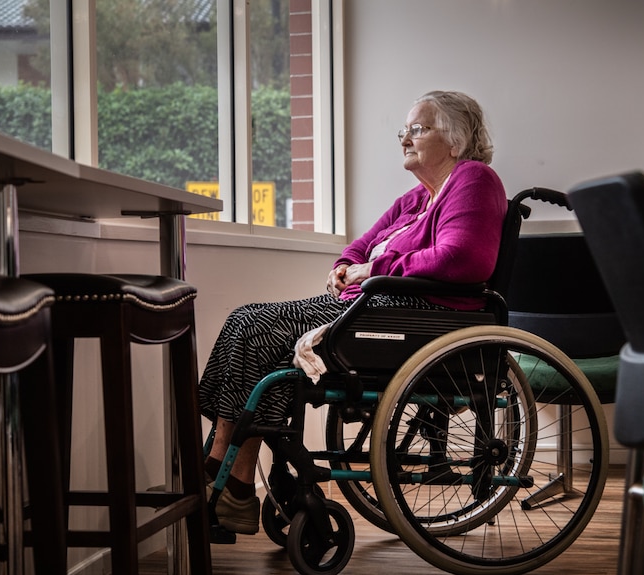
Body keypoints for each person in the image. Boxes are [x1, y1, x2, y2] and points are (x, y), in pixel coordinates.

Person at [198, 90, 508, 534]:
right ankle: (233, 476)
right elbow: (362, 245)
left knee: (256, 325)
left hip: (413, 318)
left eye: (417, 129)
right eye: (404, 130)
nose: (405, 138)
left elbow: (464, 258)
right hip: (372, 308)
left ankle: (224, 473)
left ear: (456, 141)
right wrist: (346, 265)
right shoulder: (416, 199)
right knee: (245, 321)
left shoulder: (473, 179)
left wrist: (371, 269)